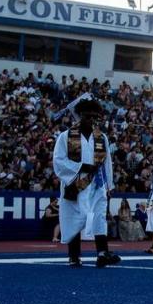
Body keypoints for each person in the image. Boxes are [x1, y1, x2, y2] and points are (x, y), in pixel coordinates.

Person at [52, 95, 120, 268]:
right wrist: (81, 166)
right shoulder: (65, 136)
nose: (91, 119)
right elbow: (58, 161)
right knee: (75, 218)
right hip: (76, 184)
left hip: (97, 184)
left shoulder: (101, 138)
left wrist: (109, 185)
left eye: (94, 116)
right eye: (87, 116)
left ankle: (102, 253)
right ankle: (74, 256)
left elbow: (107, 162)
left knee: (99, 216)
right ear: (79, 115)